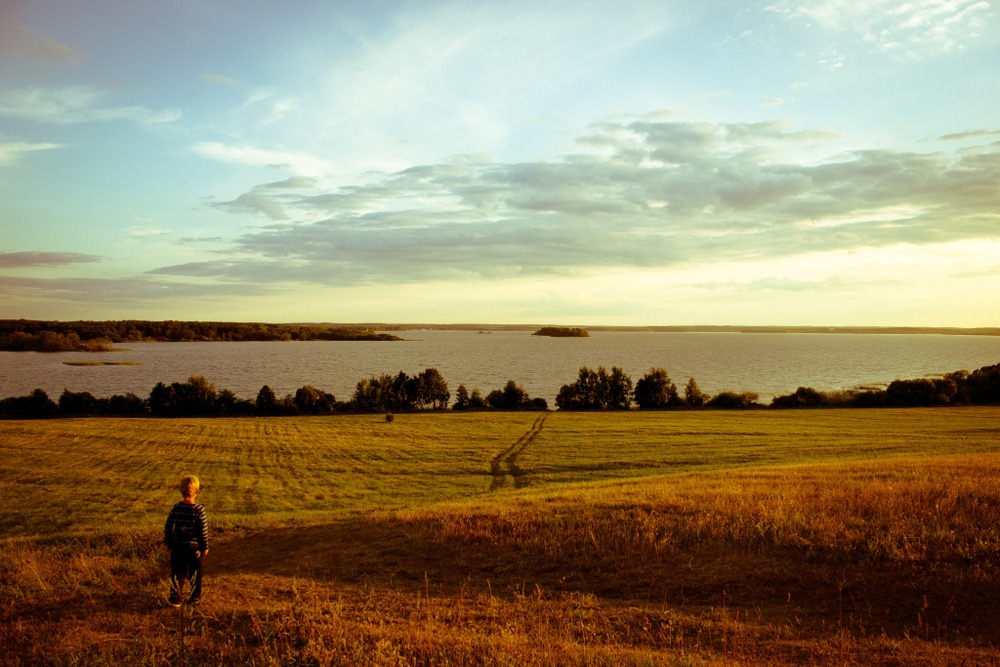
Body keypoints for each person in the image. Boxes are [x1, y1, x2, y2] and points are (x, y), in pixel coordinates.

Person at [164, 474, 209, 607]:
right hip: (193, 548)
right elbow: (203, 531)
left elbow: (168, 525)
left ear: (181, 491)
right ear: (197, 491)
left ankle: (175, 598)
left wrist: (169, 541)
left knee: (177, 573)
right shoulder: (199, 510)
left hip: (178, 547)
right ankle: (195, 597)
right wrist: (204, 546)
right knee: (196, 572)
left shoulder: (176, 508)